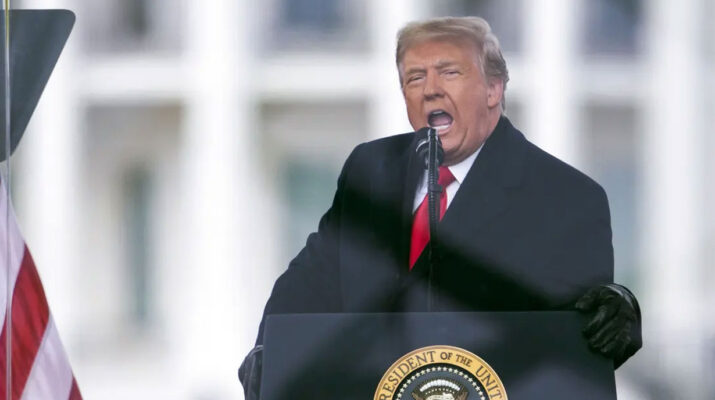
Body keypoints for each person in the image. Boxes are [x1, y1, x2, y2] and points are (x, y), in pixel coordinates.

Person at [239, 16, 642, 397]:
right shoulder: (371, 168)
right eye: (415, 78)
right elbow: (310, 283)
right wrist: (267, 355)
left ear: (494, 89)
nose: (430, 89)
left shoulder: (565, 195)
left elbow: (583, 335)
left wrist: (617, 311)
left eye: (449, 72)